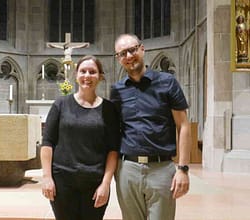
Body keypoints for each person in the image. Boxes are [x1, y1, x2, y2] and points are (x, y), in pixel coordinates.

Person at [110, 33, 191, 220]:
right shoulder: (117, 90)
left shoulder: (167, 82)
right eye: (123, 53)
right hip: (127, 169)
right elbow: (113, 131)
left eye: (132, 50)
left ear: (142, 49)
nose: (129, 56)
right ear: (118, 59)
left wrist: (183, 169)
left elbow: (184, 125)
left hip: (161, 168)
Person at [40, 55, 120, 220]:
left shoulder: (109, 109)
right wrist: (47, 178)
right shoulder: (61, 105)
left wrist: (106, 184)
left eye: (92, 72)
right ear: (76, 75)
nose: (87, 76)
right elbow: (47, 143)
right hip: (63, 181)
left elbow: (113, 149)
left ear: (100, 76)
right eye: (83, 71)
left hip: (95, 181)